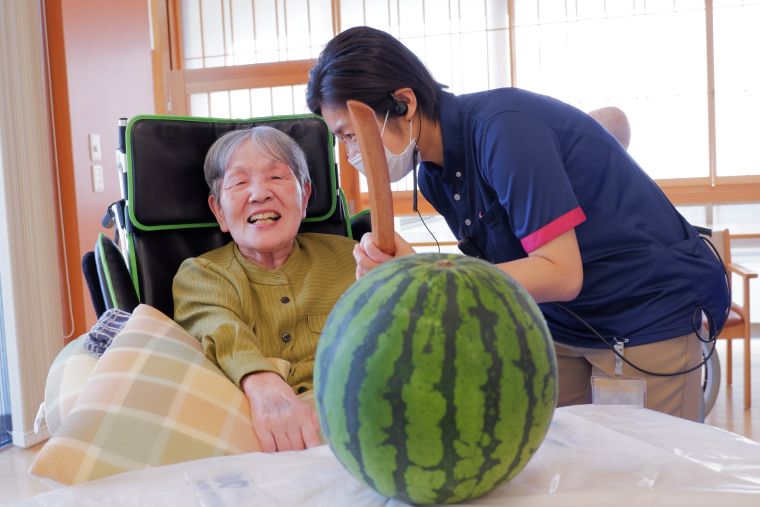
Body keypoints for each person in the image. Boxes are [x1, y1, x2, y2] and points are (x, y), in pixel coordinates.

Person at [305, 26, 729, 422]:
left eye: (350, 135)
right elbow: (514, 268)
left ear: (405, 103)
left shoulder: (504, 131)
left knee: (647, 484)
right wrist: (414, 270)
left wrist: (426, 278)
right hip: (563, 325)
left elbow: (560, 273)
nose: (350, 153)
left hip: (643, 314)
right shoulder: (434, 175)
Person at [172, 126, 356, 451]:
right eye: (239, 182)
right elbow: (222, 332)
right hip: (249, 439)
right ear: (218, 211)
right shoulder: (203, 274)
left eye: (277, 177)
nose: (259, 193)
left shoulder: (352, 257)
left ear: (306, 196)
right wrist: (264, 385)